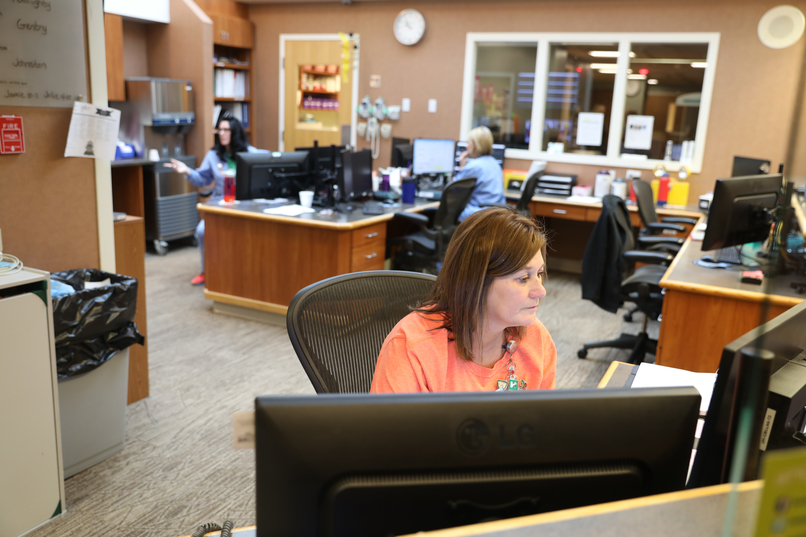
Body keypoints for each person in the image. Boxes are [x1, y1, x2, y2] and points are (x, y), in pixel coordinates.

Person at [370, 207, 556, 393]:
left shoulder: (535, 339)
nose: (541, 291)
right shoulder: (413, 348)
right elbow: (391, 423)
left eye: (539, 274)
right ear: (477, 281)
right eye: (523, 278)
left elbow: (546, 420)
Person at [167, 115, 265, 285]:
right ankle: (206, 271)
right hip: (222, 202)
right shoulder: (213, 155)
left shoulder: (251, 153)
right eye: (219, 130)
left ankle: (244, 271)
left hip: (246, 203)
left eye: (226, 130)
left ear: (235, 133)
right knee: (202, 231)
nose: (222, 133)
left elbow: (269, 164)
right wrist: (187, 171)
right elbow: (202, 180)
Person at [453, 126, 507, 222]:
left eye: (468, 142)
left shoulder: (474, 166)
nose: (466, 146)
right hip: (496, 214)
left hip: (479, 214)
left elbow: (453, 189)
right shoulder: (495, 164)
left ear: (475, 145)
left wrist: (462, 168)